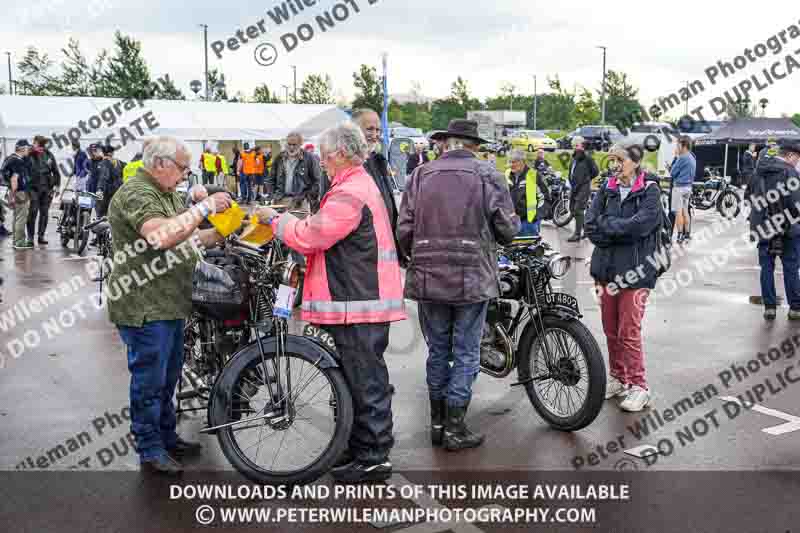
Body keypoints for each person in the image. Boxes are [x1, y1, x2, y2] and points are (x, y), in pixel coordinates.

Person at [256, 122, 406, 483]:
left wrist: (277, 221)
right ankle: (361, 447)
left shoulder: (349, 191)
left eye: (324, 155)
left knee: (365, 381)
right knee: (360, 380)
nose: (321, 162)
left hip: (358, 301)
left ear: (341, 154)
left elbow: (312, 237)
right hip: (361, 298)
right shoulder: (355, 185)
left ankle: (373, 457)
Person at [107, 136, 232, 474]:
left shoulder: (167, 193)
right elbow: (160, 235)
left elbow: (185, 238)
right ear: (160, 163)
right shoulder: (137, 193)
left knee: (168, 378)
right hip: (144, 306)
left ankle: (166, 436)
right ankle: (149, 448)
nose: (186, 174)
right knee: (150, 382)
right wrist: (204, 208)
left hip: (170, 303)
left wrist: (224, 231)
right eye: (182, 167)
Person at [397, 119, 520, 451]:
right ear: (474, 145)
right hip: (472, 275)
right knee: (466, 351)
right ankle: (454, 426)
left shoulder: (420, 174)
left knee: (438, 350)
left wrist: (413, 257)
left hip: (428, 274)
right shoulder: (487, 174)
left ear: (446, 143)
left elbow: (404, 228)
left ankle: (438, 424)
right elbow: (507, 229)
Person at [585, 144, 663, 412]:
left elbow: (642, 226)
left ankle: (640, 387)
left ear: (635, 162)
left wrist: (609, 226)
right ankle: (619, 378)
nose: (615, 165)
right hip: (606, 270)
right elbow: (591, 225)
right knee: (611, 330)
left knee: (628, 331)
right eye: (612, 160)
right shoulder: (606, 189)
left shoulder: (650, 190)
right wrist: (621, 230)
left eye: (620, 159)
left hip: (636, 273)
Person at [749, 140, 800, 321]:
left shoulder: (758, 172)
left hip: (764, 226)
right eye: (798, 158)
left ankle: (769, 308)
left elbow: (750, 196)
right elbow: (796, 204)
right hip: (788, 228)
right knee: (791, 267)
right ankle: (795, 308)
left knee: (766, 268)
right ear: (790, 155)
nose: (797, 162)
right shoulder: (790, 172)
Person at [351, 109, 400, 248]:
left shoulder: (378, 161)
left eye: (378, 130)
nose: (375, 135)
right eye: (369, 129)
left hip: (384, 244)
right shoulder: (342, 163)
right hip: (360, 248)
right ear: (353, 131)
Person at [269, 132, 321, 210]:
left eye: (294, 145)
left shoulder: (309, 158)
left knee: (299, 218)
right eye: (289, 144)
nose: (291, 147)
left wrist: (306, 196)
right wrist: (273, 195)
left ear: (300, 144)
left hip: (300, 203)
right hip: (280, 200)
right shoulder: (279, 157)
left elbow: (316, 181)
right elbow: (270, 179)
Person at [505, 150, 550, 237]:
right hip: (510, 221)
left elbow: (545, 198)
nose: (511, 165)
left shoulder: (533, 175)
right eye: (509, 162)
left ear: (522, 162)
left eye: (513, 162)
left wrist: (536, 216)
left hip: (528, 223)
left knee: (528, 245)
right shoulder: (507, 174)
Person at [27, 135, 61, 246]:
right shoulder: (28, 154)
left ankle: (41, 236)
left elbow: (56, 171)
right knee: (33, 212)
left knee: (44, 213)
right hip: (33, 188)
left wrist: (57, 186)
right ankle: (30, 237)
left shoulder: (49, 155)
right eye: (39, 145)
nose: (41, 147)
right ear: (34, 143)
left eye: (43, 145)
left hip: (46, 188)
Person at [567, 137, 599, 242]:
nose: (575, 147)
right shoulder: (574, 158)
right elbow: (571, 171)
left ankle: (577, 234)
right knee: (572, 209)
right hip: (574, 187)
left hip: (583, 188)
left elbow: (595, 171)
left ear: (583, 147)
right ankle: (586, 230)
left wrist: (586, 179)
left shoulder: (588, 158)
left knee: (578, 209)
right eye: (574, 145)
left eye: (577, 145)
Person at [3, 140, 33, 250]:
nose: (28, 150)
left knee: (16, 217)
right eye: (27, 148)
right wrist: (14, 194)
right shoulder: (17, 161)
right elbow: (14, 179)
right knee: (21, 217)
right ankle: (19, 242)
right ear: (21, 148)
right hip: (20, 192)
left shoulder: (10, 159)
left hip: (14, 191)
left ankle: (16, 240)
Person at [669, 136, 696, 244]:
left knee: (678, 212)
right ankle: (687, 234)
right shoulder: (692, 157)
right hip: (688, 187)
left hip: (679, 188)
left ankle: (679, 235)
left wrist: (676, 157)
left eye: (678, 145)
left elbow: (672, 173)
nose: (677, 147)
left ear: (683, 145)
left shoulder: (682, 157)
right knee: (685, 211)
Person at [96, 145, 125, 218]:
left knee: (102, 214)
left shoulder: (104, 163)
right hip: (116, 191)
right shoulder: (118, 162)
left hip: (107, 193)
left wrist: (100, 189)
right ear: (111, 153)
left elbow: (103, 178)